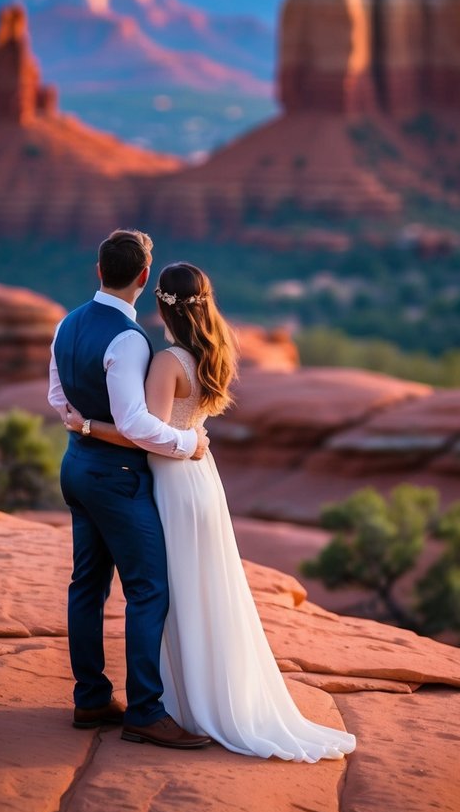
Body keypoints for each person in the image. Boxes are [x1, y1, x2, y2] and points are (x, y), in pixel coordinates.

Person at [63, 260, 356, 763]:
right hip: (201, 481)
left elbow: (142, 434)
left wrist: (84, 424)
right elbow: (175, 429)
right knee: (202, 588)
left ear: (160, 303)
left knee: (162, 590)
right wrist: (191, 441)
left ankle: (170, 703)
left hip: (173, 483)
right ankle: (197, 695)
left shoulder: (165, 362)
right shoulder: (209, 353)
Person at [48, 228, 211, 749]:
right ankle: (144, 710)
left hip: (76, 467)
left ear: (100, 270)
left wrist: (82, 425)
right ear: (143, 277)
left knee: (87, 585)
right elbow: (138, 425)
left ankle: (91, 698)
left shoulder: (67, 323)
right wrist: (189, 444)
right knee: (147, 589)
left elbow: (57, 396)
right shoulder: (130, 340)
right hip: (116, 479)